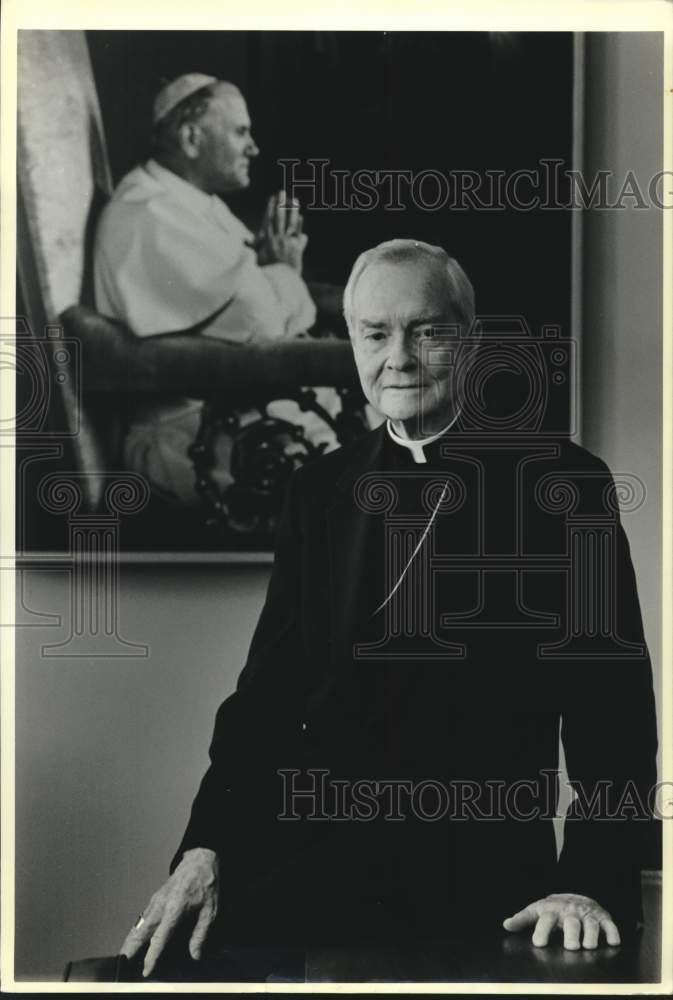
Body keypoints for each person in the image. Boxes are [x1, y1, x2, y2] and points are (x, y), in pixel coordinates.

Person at [121, 240, 658, 978]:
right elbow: (266, 700)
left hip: (488, 882)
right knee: (155, 972)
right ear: (352, 344)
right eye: (375, 334)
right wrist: (207, 847)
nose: (397, 356)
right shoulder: (318, 492)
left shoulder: (563, 487)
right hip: (315, 860)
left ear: (466, 340)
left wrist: (589, 880)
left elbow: (613, 712)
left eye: (426, 331)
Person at [94, 73, 342, 506]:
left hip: (240, 414)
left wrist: (279, 274)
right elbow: (261, 324)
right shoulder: (147, 213)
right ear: (192, 137)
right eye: (240, 131)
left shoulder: (194, 202)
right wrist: (283, 271)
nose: (254, 147)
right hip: (194, 436)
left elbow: (258, 297)